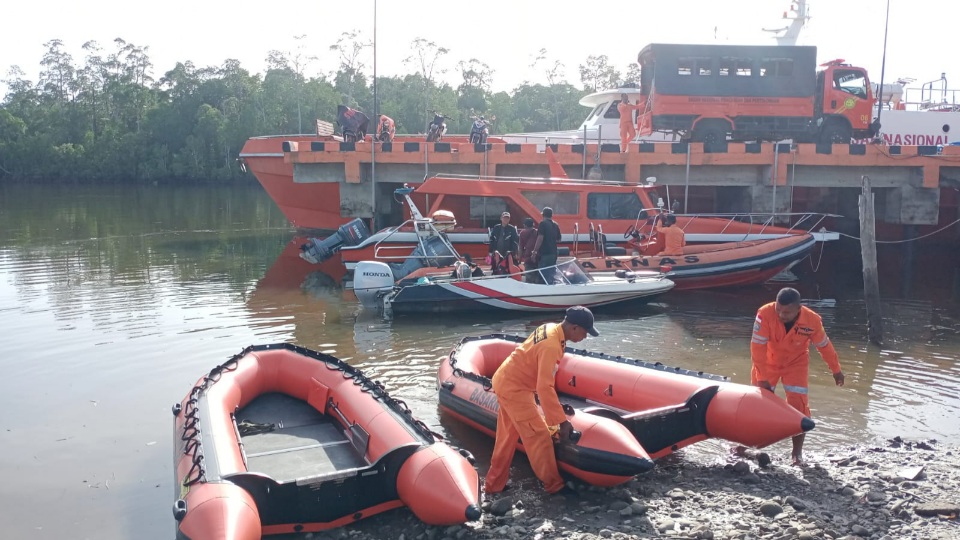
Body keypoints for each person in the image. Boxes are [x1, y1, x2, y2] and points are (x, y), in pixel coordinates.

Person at [484, 306, 599, 495]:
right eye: (585, 333)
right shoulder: (551, 346)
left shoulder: (550, 328)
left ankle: (493, 485)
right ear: (575, 328)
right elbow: (544, 387)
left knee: (506, 438)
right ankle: (554, 486)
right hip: (515, 389)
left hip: (506, 380)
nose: (585, 338)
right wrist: (561, 422)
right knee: (539, 438)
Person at [750, 287, 845, 465]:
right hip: (767, 363)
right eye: (778, 309)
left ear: (798, 309)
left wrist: (836, 370)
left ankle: (797, 453)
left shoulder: (812, 320)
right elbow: (757, 348)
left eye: (786, 312)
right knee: (757, 403)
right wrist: (761, 377)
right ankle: (748, 444)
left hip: (796, 364)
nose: (781, 315)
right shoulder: (764, 313)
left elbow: (824, 346)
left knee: (799, 406)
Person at [531, 207, 561, 284]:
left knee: (542, 275)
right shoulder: (556, 225)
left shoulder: (542, 224)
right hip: (554, 253)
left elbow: (540, 238)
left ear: (543, 215)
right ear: (551, 215)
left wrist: (534, 252)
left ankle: (543, 291)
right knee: (551, 274)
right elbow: (558, 239)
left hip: (545, 253)